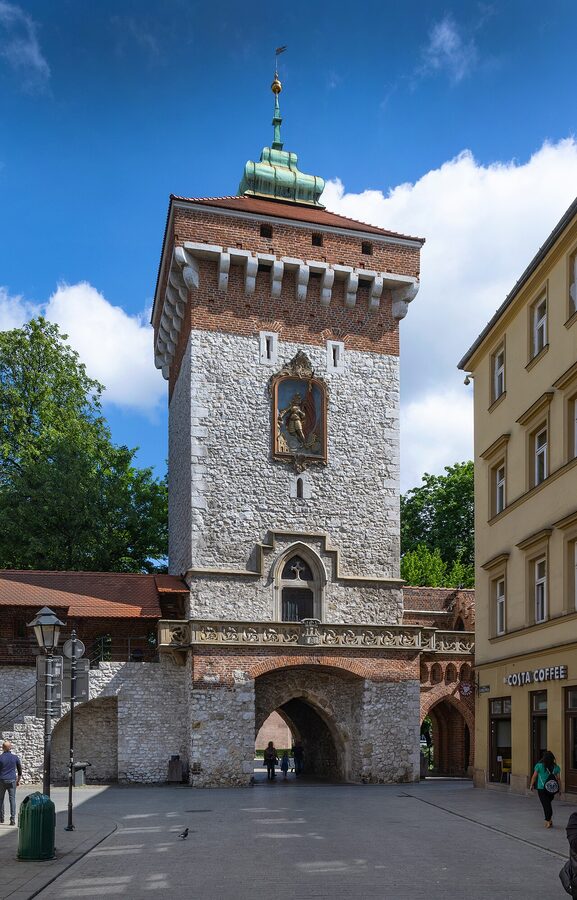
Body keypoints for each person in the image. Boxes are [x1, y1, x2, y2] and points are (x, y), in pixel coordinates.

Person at [530, 749, 560, 827]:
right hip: (551, 789)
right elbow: (558, 779)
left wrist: (531, 785)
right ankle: (549, 820)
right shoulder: (556, 767)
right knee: (547, 804)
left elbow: (534, 776)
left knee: (546, 805)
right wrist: (560, 789)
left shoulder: (539, 766)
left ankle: (548, 820)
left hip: (541, 789)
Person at [0, 740, 22, 826]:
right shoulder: (15, 757)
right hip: (12, 780)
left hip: (1, 780)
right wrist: (18, 780)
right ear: (10, 747)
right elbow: (19, 770)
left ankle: (1, 818)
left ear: (3, 748)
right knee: (12, 799)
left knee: (1, 799)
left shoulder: (0, 758)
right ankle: (12, 819)